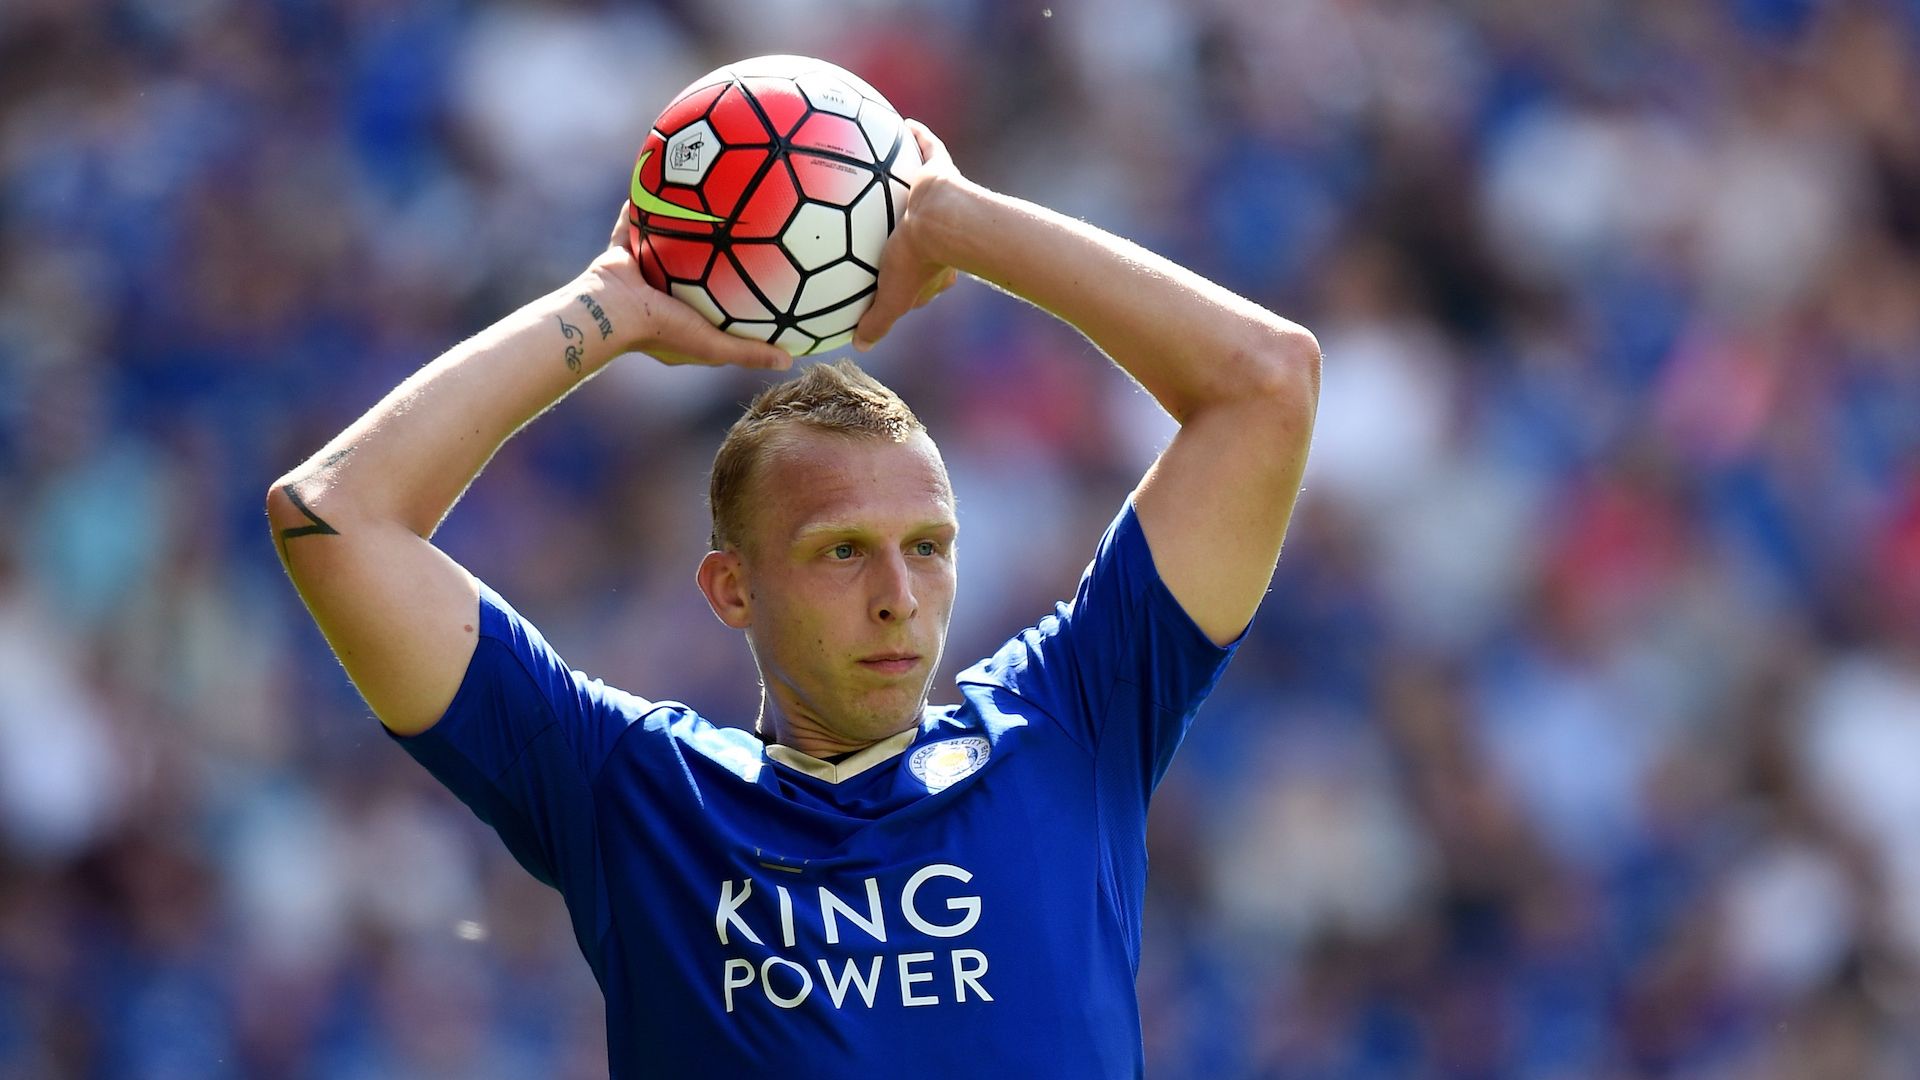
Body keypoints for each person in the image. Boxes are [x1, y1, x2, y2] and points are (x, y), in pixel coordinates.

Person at [268, 119, 1319, 1077]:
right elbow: (330, 517)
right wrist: (613, 307)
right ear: (731, 588)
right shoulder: (636, 794)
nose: (899, 596)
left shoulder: (1070, 725)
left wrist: (952, 220)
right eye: (842, 551)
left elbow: (1267, 381)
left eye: (929, 546)